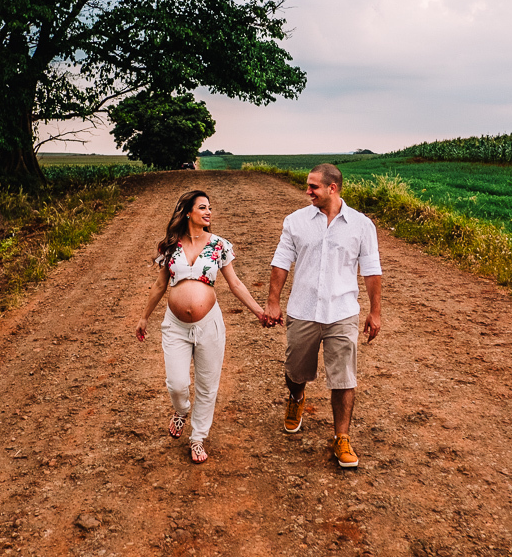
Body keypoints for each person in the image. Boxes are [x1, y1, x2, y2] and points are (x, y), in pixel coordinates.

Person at [264, 164, 382, 468]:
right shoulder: (295, 222)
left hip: (342, 312)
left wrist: (375, 311)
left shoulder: (360, 225)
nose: (307, 191)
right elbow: (281, 263)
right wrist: (273, 302)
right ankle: (296, 398)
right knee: (295, 371)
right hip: (303, 310)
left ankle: (341, 437)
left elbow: (371, 271)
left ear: (333, 188)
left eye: (313, 186)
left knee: (344, 377)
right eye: (307, 185)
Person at [136, 190, 266, 463]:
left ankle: (197, 438)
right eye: (203, 207)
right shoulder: (170, 246)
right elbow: (161, 284)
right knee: (177, 383)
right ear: (188, 213)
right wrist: (144, 317)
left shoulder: (219, 245)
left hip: (210, 325)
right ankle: (181, 410)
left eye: (210, 208)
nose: (208, 212)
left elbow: (236, 284)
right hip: (175, 326)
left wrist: (259, 312)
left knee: (208, 385)